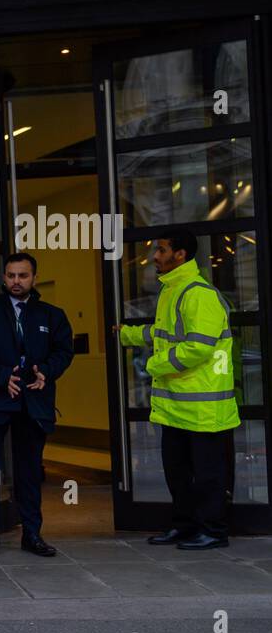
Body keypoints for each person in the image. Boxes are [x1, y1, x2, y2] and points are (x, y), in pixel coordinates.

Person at [116, 229, 238, 549]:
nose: (155, 255)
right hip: (178, 409)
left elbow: (198, 348)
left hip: (204, 410)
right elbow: (163, 333)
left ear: (180, 255)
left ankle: (213, 531)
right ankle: (184, 526)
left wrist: (154, 365)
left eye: (161, 250)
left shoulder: (199, 293)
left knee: (208, 476)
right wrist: (126, 335)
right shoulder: (173, 290)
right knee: (178, 474)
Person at [0, 252, 74, 557]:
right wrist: (0, 377)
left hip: (33, 401)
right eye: (11, 275)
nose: (16, 281)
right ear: (4, 277)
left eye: (22, 276)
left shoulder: (51, 315)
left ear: (34, 278)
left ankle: (32, 533)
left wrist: (46, 371)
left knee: (29, 470)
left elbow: (65, 351)